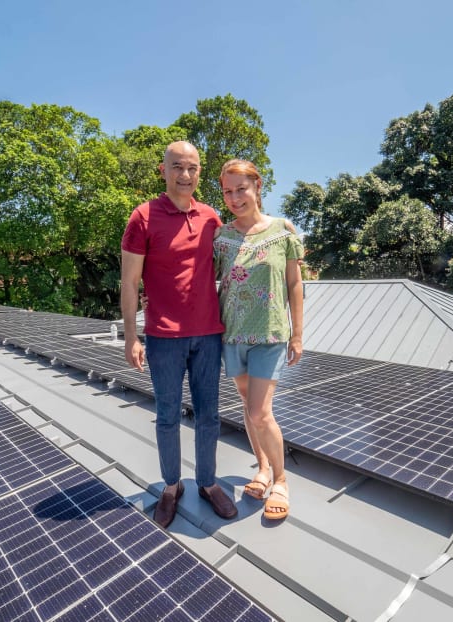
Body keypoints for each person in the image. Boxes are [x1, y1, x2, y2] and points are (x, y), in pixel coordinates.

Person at [121, 141, 238, 529]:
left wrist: (281, 228)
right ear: (163, 170)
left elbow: (243, 244)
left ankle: (207, 483)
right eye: (177, 167)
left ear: (200, 172)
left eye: (192, 168)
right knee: (167, 417)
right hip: (163, 337)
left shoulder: (211, 217)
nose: (184, 175)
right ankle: (172, 487)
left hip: (208, 335)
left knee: (209, 416)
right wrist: (130, 336)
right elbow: (129, 281)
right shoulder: (143, 216)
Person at [214, 159, 304, 521]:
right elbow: (199, 278)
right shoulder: (220, 237)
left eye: (241, 189)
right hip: (231, 334)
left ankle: (281, 480)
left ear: (257, 187)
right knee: (246, 406)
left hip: (269, 335)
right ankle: (263, 469)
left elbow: (295, 284)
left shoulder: (283, 231)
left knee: (259, 411)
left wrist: (297, 333)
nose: (235, 197)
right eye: (227, 191)